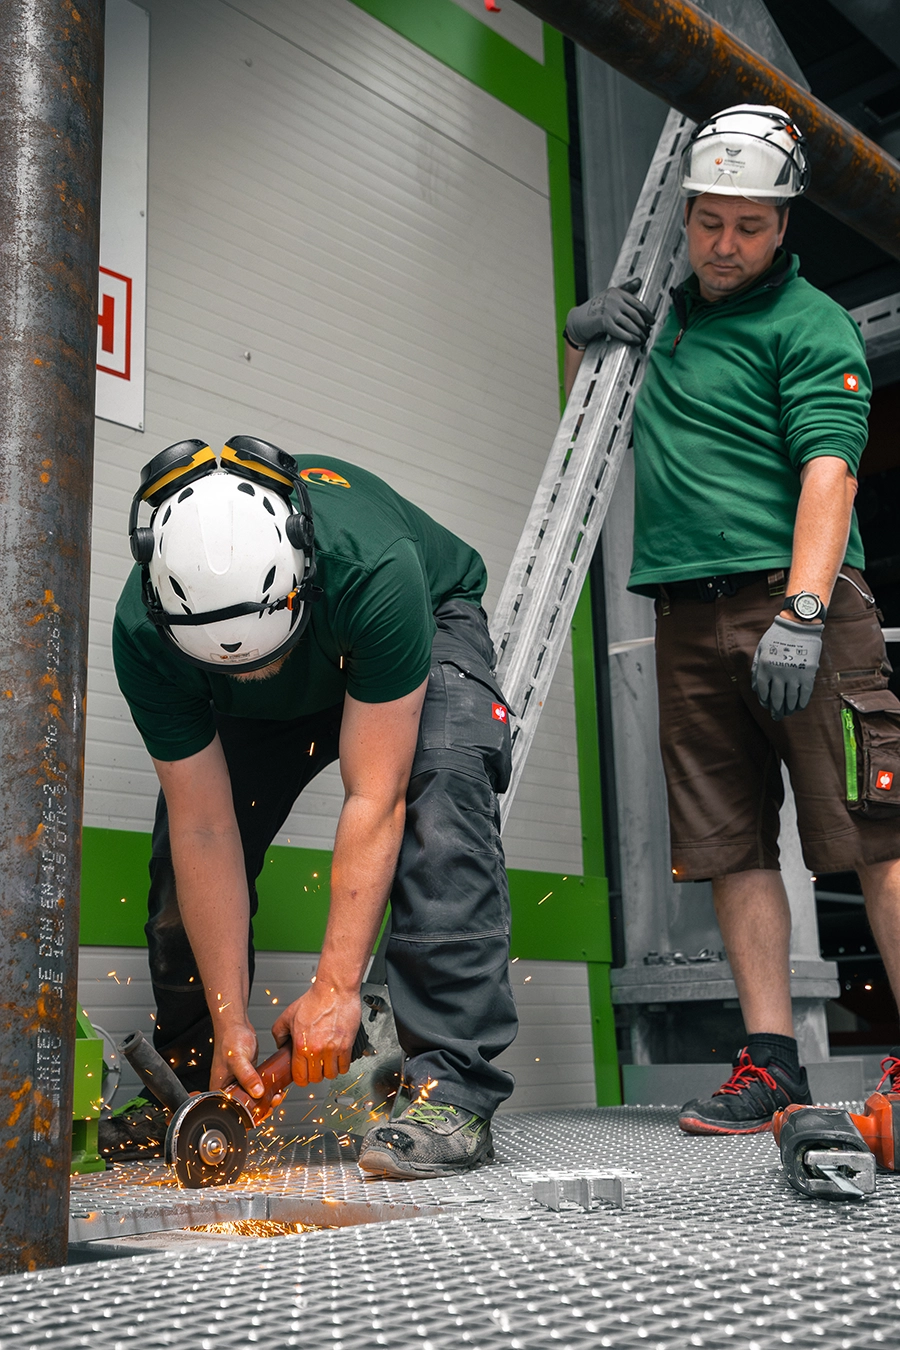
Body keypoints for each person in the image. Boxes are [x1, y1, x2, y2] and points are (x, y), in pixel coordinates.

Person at [564, 104, 900, 1133]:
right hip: (686, 617)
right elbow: (589, 428)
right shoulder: (659, 322)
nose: (724, 244)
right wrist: (583, 332)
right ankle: (771, 1064)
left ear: (783, 225)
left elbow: (829, 474)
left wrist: (802, 609)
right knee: (729, 846)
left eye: (748, 226)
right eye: (709, 221)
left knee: (878, 837)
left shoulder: (810, 326)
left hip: (801, 608)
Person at [102, 435, 516, 1177]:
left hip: (402, 626)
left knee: (444, 794)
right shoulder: (143, 634)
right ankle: (198, 1079)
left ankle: (451, 1083)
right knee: (174, 861)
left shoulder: (374, 566)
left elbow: (374, 795)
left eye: (263, 659)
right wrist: (232, 1020)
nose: (257, 674)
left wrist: (336, 989)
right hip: (275, 652)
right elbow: (205, 829)